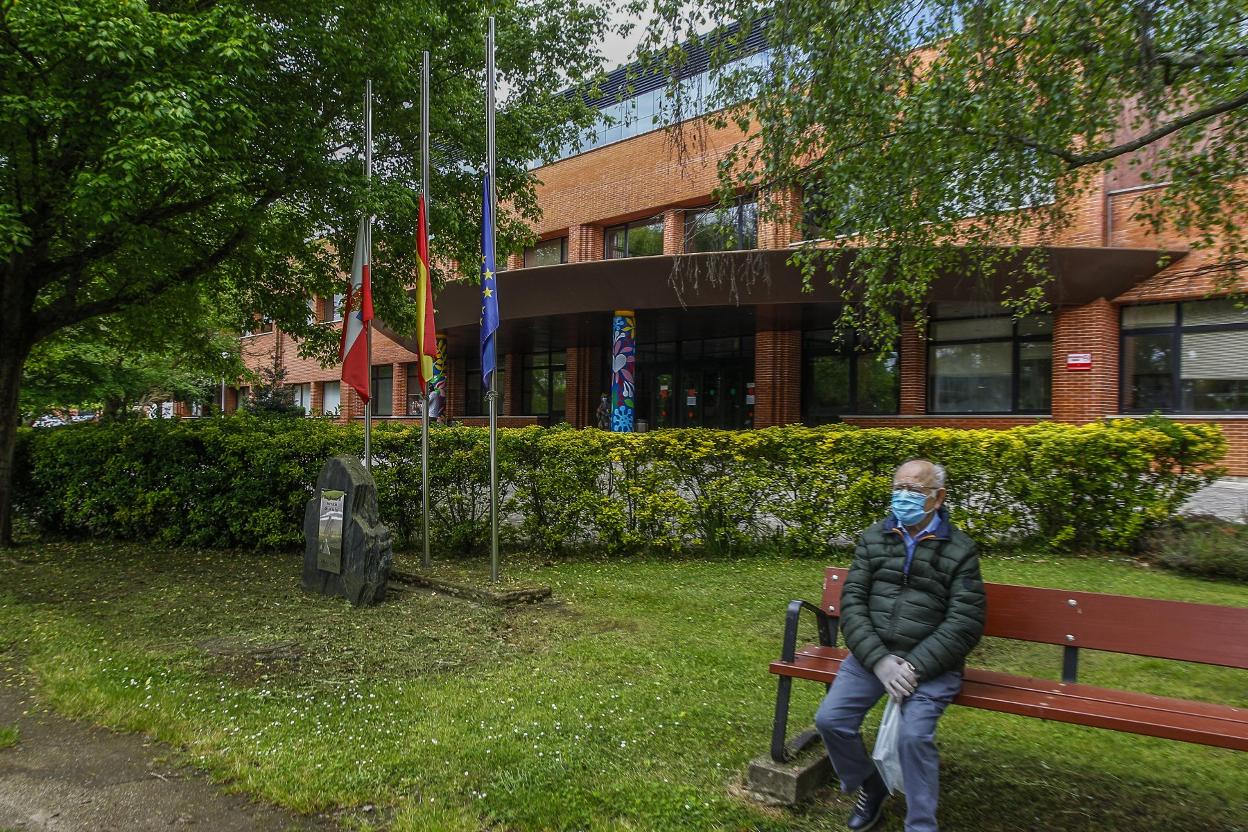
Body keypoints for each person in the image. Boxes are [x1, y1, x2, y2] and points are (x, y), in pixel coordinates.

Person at [814, 459, 986, 832]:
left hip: (931, 664)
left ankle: (920, 824)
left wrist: (917, 666)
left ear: (937, 498)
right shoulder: (874, 537)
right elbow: (853, 602)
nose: (904, 497)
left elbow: (965, 622)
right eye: (899, 488)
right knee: (831, 720)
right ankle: (870, 785)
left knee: (913, 737)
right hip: (873, 657)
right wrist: (878, 661)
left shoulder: (960, 551)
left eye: (915, 490)